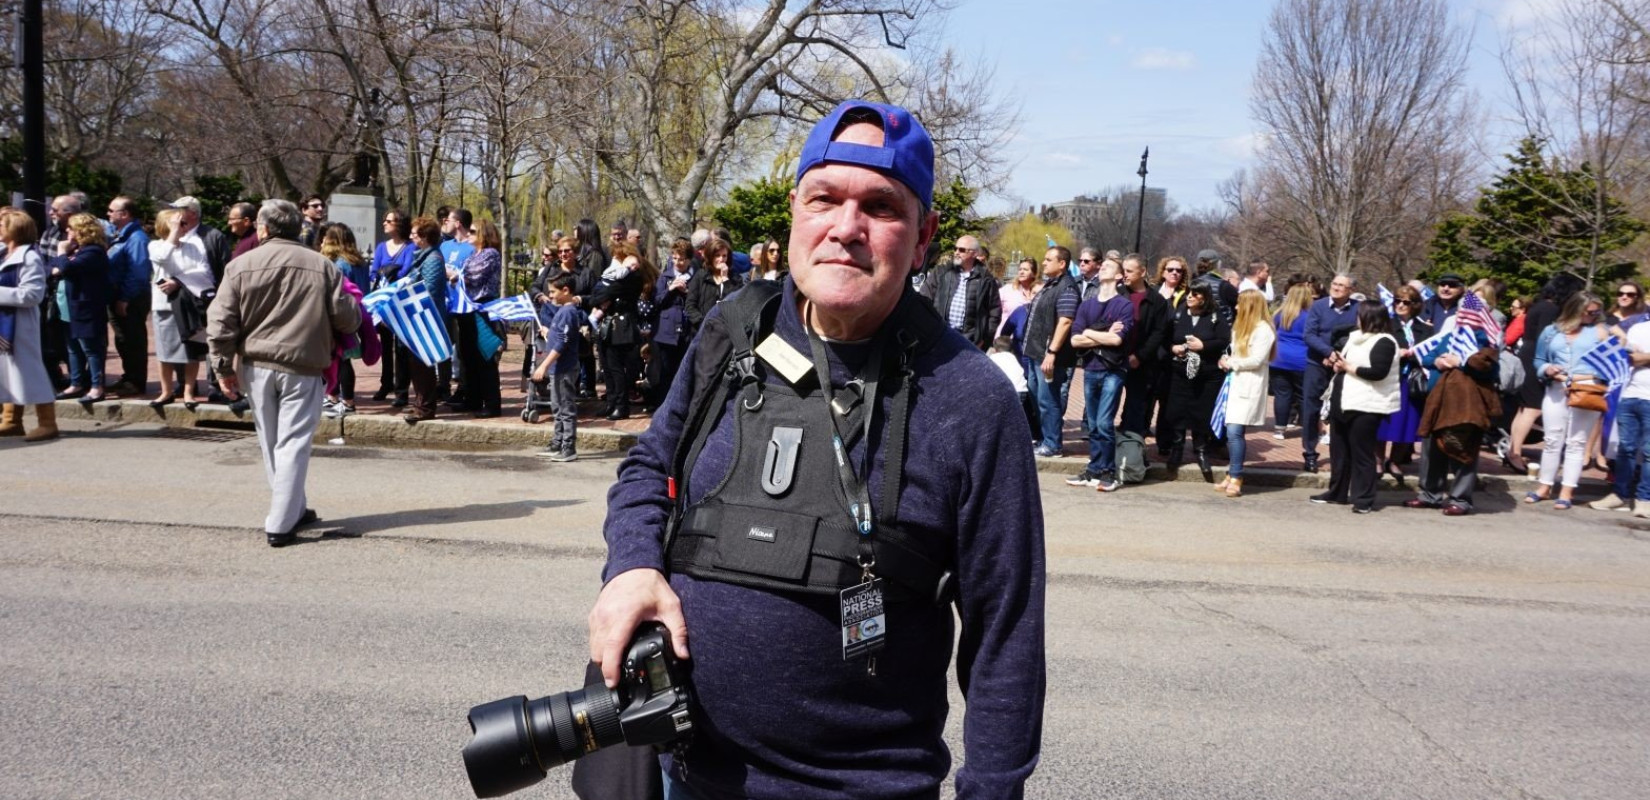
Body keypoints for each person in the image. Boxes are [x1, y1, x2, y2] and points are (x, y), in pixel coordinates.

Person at [586, 99, 1044, 799]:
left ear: (923, 239)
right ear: (796, 215)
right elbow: (648, 468)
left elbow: (1005, 631)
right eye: (823, 198)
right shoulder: (731, 331)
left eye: (881, 207)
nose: (845, 228)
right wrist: (632, 567)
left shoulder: (971, 399)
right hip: (684, 775)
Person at [206, 199, 360, 546]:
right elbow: (347, 318)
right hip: (303, 365)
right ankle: (281, 520)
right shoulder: (321, 266)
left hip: (256, 366)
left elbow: (220, 323)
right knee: (291, 443)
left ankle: (290, 508)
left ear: (262, 229)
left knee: (273, 442)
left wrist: (221, 367)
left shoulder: (240, 265)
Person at [1311, 300, 1399, 513]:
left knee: (1362, 453)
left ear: (1371, 317)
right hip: (1343, 401)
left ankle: (1363, 499)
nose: (1356, 318)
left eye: (1360, 315)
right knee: (1339, 451)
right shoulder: (1354, 337)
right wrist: (1336, 363)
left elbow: (1378, 372)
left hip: (1367, 405)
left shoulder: (1385, 341)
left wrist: (1348, 366)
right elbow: (1345, 365)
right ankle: (1337, 493)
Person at [1526, 292, 1609, 510]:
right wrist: (1547, 369)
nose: (1594, 315)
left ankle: (1567, 491)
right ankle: (1544, 487)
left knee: (1577, 443)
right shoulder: (1551, 331)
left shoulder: (1599, 331)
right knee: (1552, 439)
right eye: (1590, 311)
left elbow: (1613, 360)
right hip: (1556, 388)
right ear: (1576, 309)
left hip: (1586, 389)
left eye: (1597, 311)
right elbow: (1539, 359)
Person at [1405, 330, 1501, 516]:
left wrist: (1461, 363)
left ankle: (1460, 499)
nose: (1465, 317)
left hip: (1466, 406)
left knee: (1463, 450)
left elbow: (1492, 371)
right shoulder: (1450, 337)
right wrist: (1437, 361)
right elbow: (1427, 357)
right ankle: (1429, 495)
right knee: (1431, 450)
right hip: (1437, 401)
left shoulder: (1485, 342)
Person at [1064, 256, 1133, 491]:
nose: (1102, 267)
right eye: (1101, 265)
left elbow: (1117, 339)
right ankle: (1093, 469)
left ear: (1119, 276)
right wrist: (1100, 332)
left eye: (1109, 266)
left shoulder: (1124, 305)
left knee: (1104, 422)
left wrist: (1089, 333)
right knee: (1093, 424)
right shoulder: (1087, 305)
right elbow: (1074, 340)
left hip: (1113, 370)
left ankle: (1108, 472)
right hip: (1091, 369)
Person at [1505, 273, 1583, 474]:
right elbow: (1546, 337)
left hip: (1527, 354)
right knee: (1532, 408)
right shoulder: (1551, 309)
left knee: (1523, 408)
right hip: (1535, 358)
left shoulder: (1539, 305)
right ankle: (1514, 452)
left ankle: (1512, 449)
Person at [575, 241, 654, 420]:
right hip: (607, 326)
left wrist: (597, 298)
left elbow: (604, 295)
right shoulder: (613, 276)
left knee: (617, 368)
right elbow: (598, 294)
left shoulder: (632, 277)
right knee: (608, 367)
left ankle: (621, 405)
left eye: (619, 258)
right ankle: (611, 402)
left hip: (622, 327)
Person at [0, 209, 59, 441]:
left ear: (15, 229)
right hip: (4, 323)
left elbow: (32, 295)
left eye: (2, 225)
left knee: (28, 371)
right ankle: (11, 420)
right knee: (7, 372)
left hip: (20, 325)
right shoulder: (4, 253)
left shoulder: (29, 257)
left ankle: (48, 422)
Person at [1162, 282, 1231, 479]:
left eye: (1195, 294)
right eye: (1189, 294)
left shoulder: (1215, 316)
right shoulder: (1178, 314)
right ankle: (1177, 449)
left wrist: (1204, 346)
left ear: (1204, 298)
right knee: (1177, 410)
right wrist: (1173, 348)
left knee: (1202, 411)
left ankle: (1200, 450)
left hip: (1206, 372)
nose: (1190, 297)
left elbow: (1224, 340)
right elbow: (1166, 337)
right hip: (1180, 371)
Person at [147, 209, 215, 409]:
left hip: (189, 304)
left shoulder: (194, 245)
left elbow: (203, 271)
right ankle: (166, 391)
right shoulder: (155, 245)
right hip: (164, 306)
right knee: (165, 350)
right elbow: (162, 259)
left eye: (185, 224)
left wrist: (178, 281)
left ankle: (188, 391)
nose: (184, 227)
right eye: (179, 223)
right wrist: (173, 233)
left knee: (191, 350)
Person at [1217, 290, 1276, 498]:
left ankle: (1236, 475)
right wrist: (1225, 359)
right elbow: (1234, 352)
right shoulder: (1239, 327)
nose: (1236, 307)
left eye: (1240, 304)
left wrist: (1232, 363)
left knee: (1234, 432)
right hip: (1234, 384)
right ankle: (1231, 472)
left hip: (1249, 385)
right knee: (1232, 430)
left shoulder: (1264, 330)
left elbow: (1257, 360)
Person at [46, 213, 111, 404]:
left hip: (86, 308)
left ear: (82, 231)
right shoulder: (76, 250)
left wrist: (60, 253)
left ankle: (96, 387)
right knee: (72, 347)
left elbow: (66, 268)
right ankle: (76, 383)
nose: (67, 231)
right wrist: (61, 262)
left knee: (91, 348)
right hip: (68, 308)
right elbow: (51, 267)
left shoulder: (94, 252)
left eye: (71, 228)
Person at [1376, 285, 1435, 484]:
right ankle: (1378, 459)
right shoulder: (1386, 325)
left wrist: (1416, 355)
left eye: (1406, 302)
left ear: (1415, 305)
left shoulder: (1425, 328)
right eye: (1397, 301)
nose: (1400, 305)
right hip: (1389, 378)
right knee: (1384, 420)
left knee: (1407, 422)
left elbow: (1430, 353)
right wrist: (1397, 353)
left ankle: (1395, 461)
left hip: (1411, 381)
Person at [1302, 273, 1360, 473]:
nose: (1336, 288)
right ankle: (1309, 453)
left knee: (1340, 412)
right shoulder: (1319, 306)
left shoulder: (1357, 309)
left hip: (1343, 366)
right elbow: (1309, 334)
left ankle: (1340, 456)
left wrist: (1339, 357)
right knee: (1311, 410)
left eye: (1341, 285)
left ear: (1350, 290)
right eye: (1334, 283)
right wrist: (1327, 353)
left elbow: (1358, 337)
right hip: (1316, 364)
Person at [1594, 307, 1650, 515]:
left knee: (1648, 452)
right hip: (1630, 394)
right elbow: (1626, 358)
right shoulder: (1636, 327)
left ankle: (1645, 499)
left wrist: (1640, 356)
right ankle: (1620, 495)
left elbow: (1635, 357)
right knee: (1625, 449)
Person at [1025, 246, 1079, 457]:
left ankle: (1053, 444)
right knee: (1038, 397)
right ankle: (1044, 439)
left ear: (1062, 263)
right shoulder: (1051, 284)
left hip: (1049, 357)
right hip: (1035, 353)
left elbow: (1065, 321)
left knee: (1048, 400)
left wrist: (1052, 352)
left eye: (1049, 259)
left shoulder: (1066, 288)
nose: (1044, 262)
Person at [531, 274, 585, 462]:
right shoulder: (562, 311)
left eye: (553, 291)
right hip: (557, 369)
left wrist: (543, 366)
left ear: (566, 291)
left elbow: (562, 343)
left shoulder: (568, 312)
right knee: (557, 407)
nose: (550, 295)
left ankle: (569, 447)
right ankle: (557, 442)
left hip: (564, 368)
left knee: (566, 408)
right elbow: (559, 335)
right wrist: (548, 332)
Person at [454, 218, 504, 418]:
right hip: (466, 309)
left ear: (484, 234)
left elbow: (472, 276)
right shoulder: (472, 255)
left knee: (485, 357)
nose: (468, 234)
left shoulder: (490, 254)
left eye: (473, 231)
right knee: (468, 356)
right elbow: (461, 272)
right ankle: (472, 399)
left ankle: (492, 404)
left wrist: (454, 274)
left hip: (482, 309)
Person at [320, 222, 371, 417]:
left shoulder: (337, 264)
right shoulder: (358, 261)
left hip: (339, 314)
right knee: (342, 357)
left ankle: (346, 401)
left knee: (340, 359)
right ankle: (333, 396)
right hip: (355, 312)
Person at [400, 216, 448, 424]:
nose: (411, 235)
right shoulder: (423, 257)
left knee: (423, 365)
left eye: (414, 232)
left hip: (425, 318)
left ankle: (426, 406)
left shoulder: (433, 260)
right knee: (416, 364)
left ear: (425, 237)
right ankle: (420, 402)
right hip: (417, 317)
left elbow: (429, 291)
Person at [104, 196, 152, 397]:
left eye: (111, 210)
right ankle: (128, 376)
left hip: (131, 299)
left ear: (124, 214)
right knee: (123, 339)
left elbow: (139, 273)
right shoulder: (121, 236)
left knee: (133, 340)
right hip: (118, 296)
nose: (108, 214)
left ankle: (136, 381)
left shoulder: (137, 239)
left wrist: (125, 298)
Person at [920, 235, 1001, 349]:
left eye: (962, 250)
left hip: (969, 342)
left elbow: (995, 312)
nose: (956, 252)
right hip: (939, 336)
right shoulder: (941, 272)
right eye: (955, 248)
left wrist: (983, 339)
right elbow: (924, 299)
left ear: (974, 253)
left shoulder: (986, 279)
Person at [1118, 253, 1169, 437]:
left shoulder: (1157, 301)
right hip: (1115, 358)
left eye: (1130, 271)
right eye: (1124, 270)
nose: (1125, 274)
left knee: (1136, 404)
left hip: (1141, 362)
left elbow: (1158, 333)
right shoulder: (1118, 294)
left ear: (1143, 272)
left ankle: (1131, 443)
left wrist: (1139, 356)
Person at [371, 209, 416, 406]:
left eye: (388, 220)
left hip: (400, 302)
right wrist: (380, 276)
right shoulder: (381, 247)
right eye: (385, 220)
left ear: (399, 224)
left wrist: (390, 275)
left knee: (401, 347)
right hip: (383, 303)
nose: (385, 223)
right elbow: (374, 271)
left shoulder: (410, 247)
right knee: (385, 346)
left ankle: (401, 389)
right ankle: (385, 383)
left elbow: (406, 271)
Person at [649, 238, 695, 412]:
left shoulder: (695, 277)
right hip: (666, 331)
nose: (678, 262)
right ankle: (662, 407)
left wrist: (686, 292)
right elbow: (656, 301)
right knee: (664, 371)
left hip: (685, 331)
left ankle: (680, 407)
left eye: (682, 259)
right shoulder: (665, 277)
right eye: (675, 258)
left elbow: (698, 301)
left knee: (681, 371)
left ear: (689, 259)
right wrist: (670, 290)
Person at [1270, 282, 1313, 440]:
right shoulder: (1309, 317)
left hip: (1278, 359)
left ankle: (1279, 429)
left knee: (1282, 394)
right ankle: (1307, 427)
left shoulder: (1279, 314)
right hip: (1301, 360)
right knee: (1303, 395)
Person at [997, 256, 1037, 337]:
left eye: (1025, 270)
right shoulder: (1007, 289)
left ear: (1034, 273)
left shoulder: (1039, 291)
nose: (1021, 272)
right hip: (1005, 338)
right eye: (1020, 269)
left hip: (1027, 340)